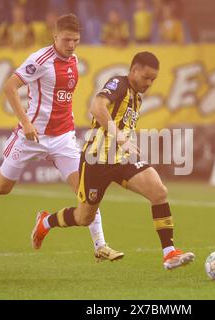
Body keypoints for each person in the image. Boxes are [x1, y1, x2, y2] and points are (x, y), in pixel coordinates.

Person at [0, 14, 124, 262]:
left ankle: (101, 245)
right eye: (66, 40)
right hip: (31, 137)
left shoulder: (74, 59)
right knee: (1, 188)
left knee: (87, 193)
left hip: (63, 138)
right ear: (55, 37)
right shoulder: (39, 60)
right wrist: (26, 123)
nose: (71, 45)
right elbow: (9, 87)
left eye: (76, 40)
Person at [32, 51, 195, 270]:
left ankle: (169, 253)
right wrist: (118, 136)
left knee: (159, 192)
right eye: (146, 77)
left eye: (153, 79)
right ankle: (45, 222)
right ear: (134, 70)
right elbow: (97, 107)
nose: (149, 83)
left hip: (120, 159)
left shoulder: (137, 96)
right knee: (83, 218)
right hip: (96, 160)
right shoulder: (119, 83)